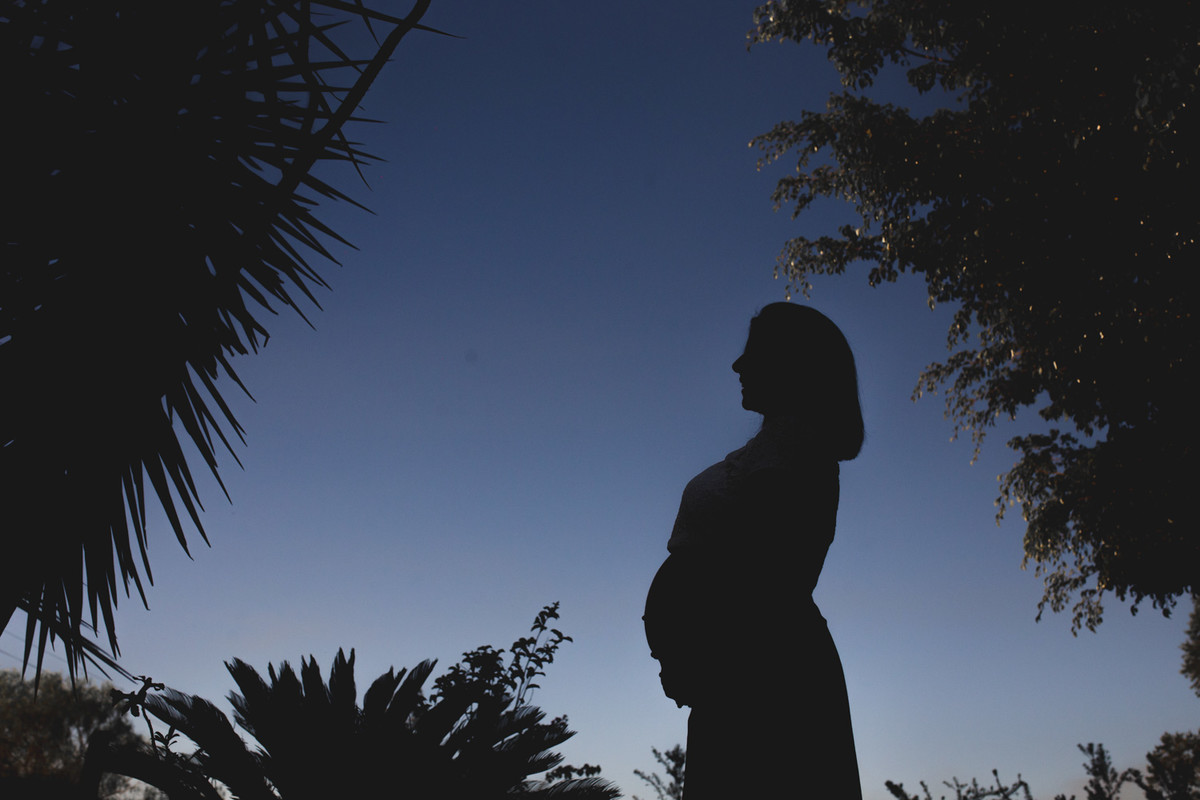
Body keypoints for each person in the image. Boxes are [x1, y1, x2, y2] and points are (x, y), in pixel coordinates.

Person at [644, 303, 865, 800]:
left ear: (793, 362)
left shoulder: (796, 454)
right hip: (739, 674)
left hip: (766, 681)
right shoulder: (774, 450)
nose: (737, 366)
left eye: (753, 353)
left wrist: (702, 655)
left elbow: (763, 581)